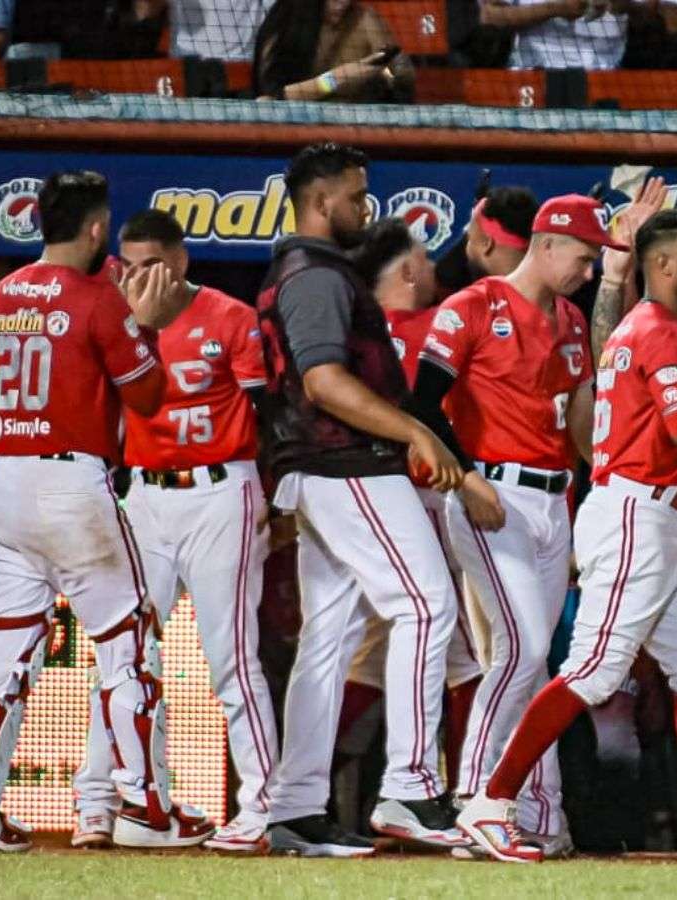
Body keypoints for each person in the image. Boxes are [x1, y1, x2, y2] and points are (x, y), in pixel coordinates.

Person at [455, 208, 677, 864]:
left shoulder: (646, 327)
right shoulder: (659, 331)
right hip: (635, 514)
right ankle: (492, 802)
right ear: (665, 264)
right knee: (593, 670)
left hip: (660, 518)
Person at [0, 170, 214, 852]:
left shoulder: (6, 293)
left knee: (4, 647)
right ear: (96, 229)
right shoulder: (97, 299)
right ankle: (148, 809)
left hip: (4, 482)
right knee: (128, 649)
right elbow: (146, 397)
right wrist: (145, 327)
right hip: (70, 485)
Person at [256, 143, 464, 857]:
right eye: (356, 195)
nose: (364, 208)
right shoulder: (314, 275)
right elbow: (323, 382)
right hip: (348, 465)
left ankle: (295, 806)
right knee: (427, 604)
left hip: (324, 469)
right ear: (321, 201)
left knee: (331, 637)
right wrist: (413, 431)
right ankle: (408, 786)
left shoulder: (311, 270)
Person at [68, 209, 279, 854]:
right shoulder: (114, 318)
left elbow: (269, 411)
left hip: (220, 491)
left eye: (151, 265)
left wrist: (274, 493)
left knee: (231, 659)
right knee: (124, 656)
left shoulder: (230, 316)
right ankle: (103, 802)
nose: (136, 279)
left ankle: (260, 809)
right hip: (146, 498)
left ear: (181, 261)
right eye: (127, 267)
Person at [408, 194, 609, 857]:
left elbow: (580, 416)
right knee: (520, 649)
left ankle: (535, 810)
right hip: (493, 493)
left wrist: (608, 478)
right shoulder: (471, 305)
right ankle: (475, 798)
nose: (587, 271)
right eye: (583, 258)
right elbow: (422, 406)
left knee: (535, 660)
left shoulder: (574, 318)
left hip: (557, 499)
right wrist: (466, 480)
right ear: (546, 245)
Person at [341, 217, 484, 793]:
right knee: (464, 655)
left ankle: (309, 790)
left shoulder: (353, 335)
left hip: (357, 503)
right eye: (424, 261)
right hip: (428, 496)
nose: (432, 270)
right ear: (405, 271)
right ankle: (465, 792)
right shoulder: (435, 325)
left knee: (362, 654)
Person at [254, 0, 413, 102]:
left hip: (352, 127)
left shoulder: (364, 19)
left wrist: (395, 72)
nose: (343, 3)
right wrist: (336, 79)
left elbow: (398, 75)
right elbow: (274, 98)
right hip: (297, 126)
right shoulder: (287, 21)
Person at [480, 0, 630, 71]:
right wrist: (556, 9)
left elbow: (648, 12)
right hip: (535, 74)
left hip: (607, 78)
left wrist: (621, 5)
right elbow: (490, 15)